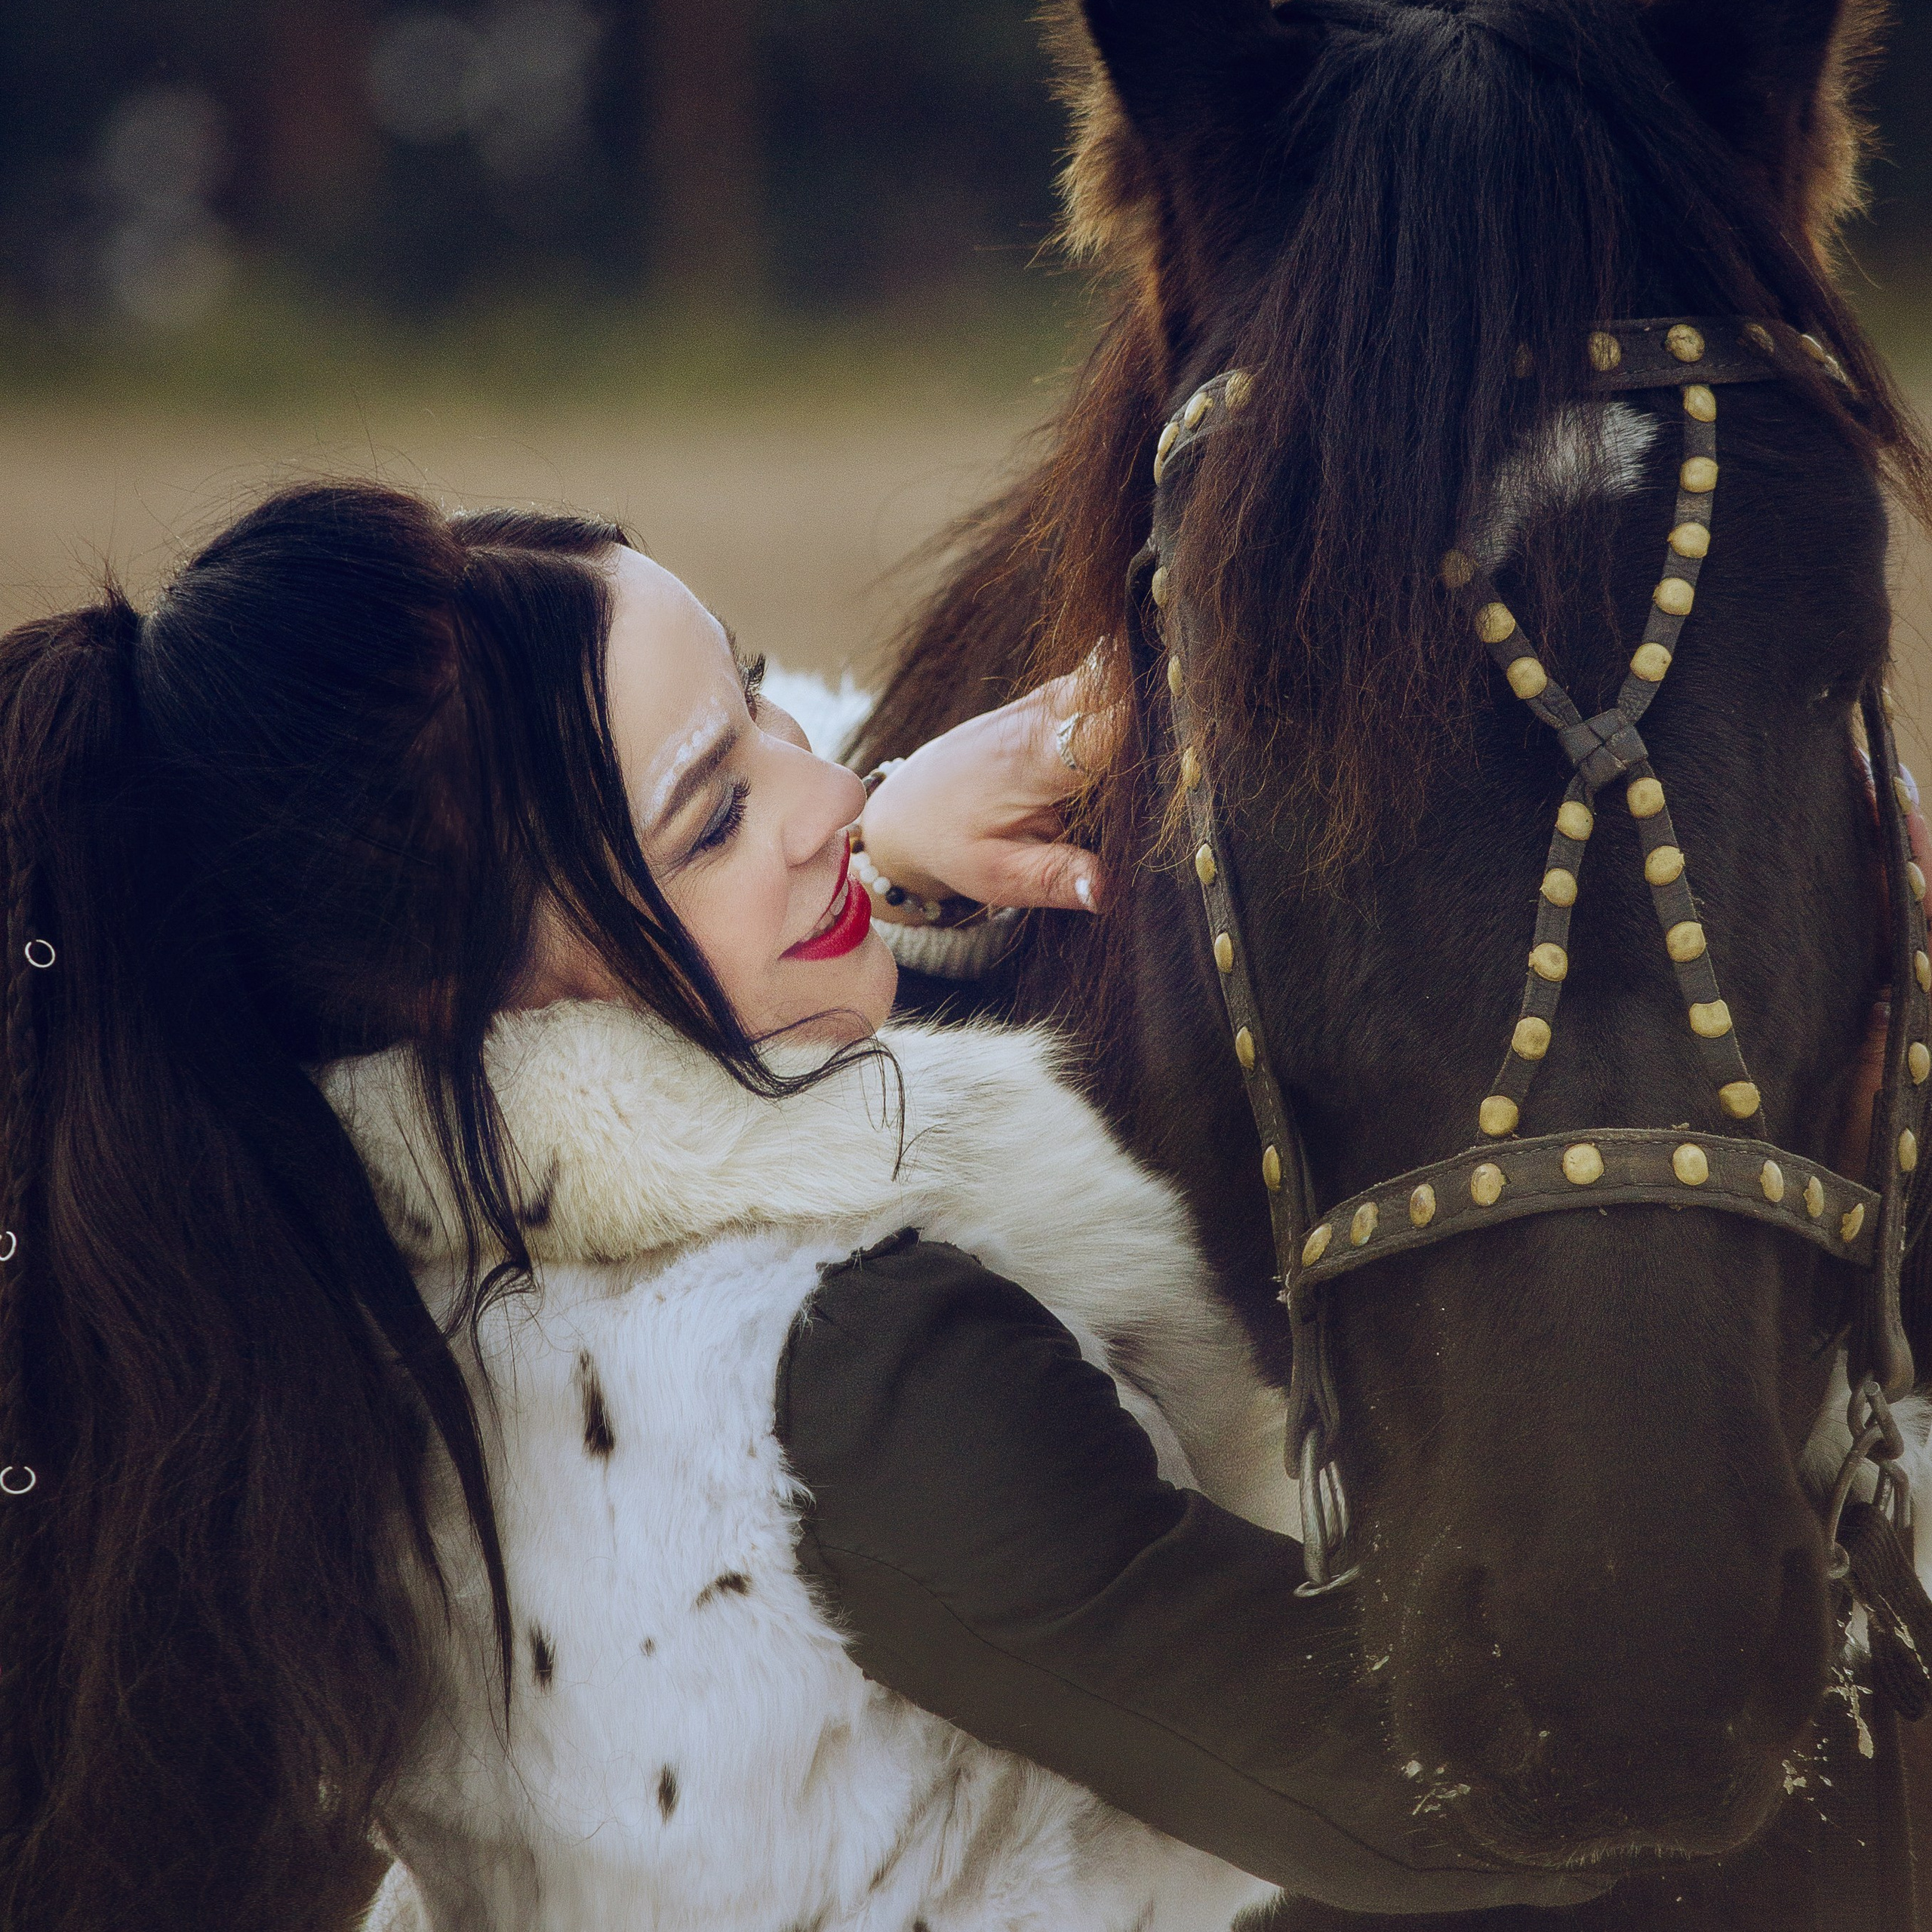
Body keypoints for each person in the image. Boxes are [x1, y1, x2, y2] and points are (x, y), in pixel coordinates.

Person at [0, 481, 1630, 1931]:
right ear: (465, 1001)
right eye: (715, 813)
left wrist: (864, 869)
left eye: (766, 697)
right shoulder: (847, 1372)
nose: (827, 798)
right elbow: (1454, 1788)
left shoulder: (308, 1289)